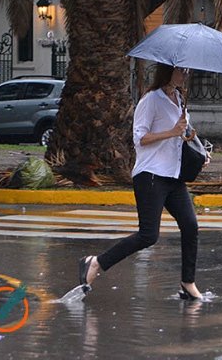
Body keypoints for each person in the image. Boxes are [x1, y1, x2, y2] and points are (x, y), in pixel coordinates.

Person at [79, 64, 207, 300]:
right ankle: (96, 263)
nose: (185, 74)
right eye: (181, 70)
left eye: (187, 71)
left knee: (190, 226)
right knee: (149, 235)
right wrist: (171, 131)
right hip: (151, 175)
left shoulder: (179, 98)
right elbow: (140, 138)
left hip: (174, 175)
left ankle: (187, 282)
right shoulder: (151, 100)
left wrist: (193, 143)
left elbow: (181, 136)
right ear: (167, 70)